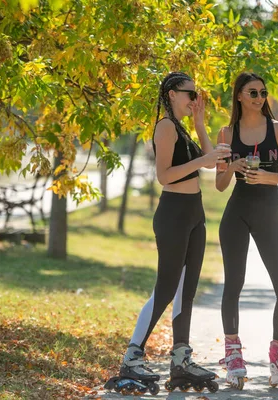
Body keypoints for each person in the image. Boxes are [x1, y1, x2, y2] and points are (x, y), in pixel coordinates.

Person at [104, 72, 230, 395]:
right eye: (190, 94)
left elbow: (210, 161)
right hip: (173, 214)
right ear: (173, 93)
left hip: (194, 214)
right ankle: (132, 357)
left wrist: (200, 121)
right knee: (166, 288)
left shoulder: (183, 127)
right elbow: (164, 175)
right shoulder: (165, 127)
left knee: (187, 291)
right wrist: (203, 158)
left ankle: (180, 358)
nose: (194, 99)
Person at [215, 72, 278, 391]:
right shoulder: (226, 132)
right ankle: (233, 355)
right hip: (237, 213)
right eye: (252, 92)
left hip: (269, 213)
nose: (259, 97)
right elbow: (219, 184)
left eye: (262, 92)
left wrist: (267, 177)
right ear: (239, 96)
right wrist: (232, 166)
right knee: (233, 285)